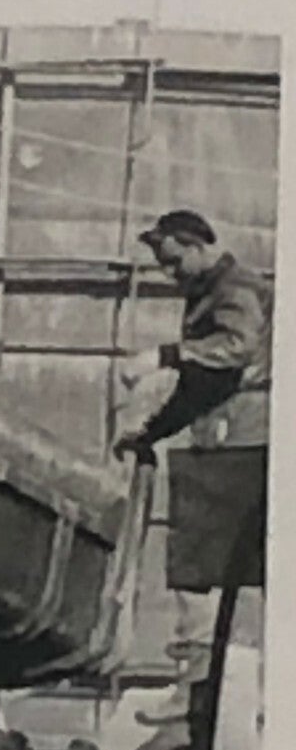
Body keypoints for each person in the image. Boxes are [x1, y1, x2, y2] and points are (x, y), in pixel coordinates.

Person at [114, 207, 271, 592]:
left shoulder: (236, 288)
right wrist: (151, 433)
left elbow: (237, 350)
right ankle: (200, 647)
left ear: (197, 247)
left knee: (228, 559)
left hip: (251, 438)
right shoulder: (209, 292)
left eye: (173, 262)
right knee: (209, 563)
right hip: (228, 437)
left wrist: (165, 356)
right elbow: (197, 388)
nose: (169, 274)